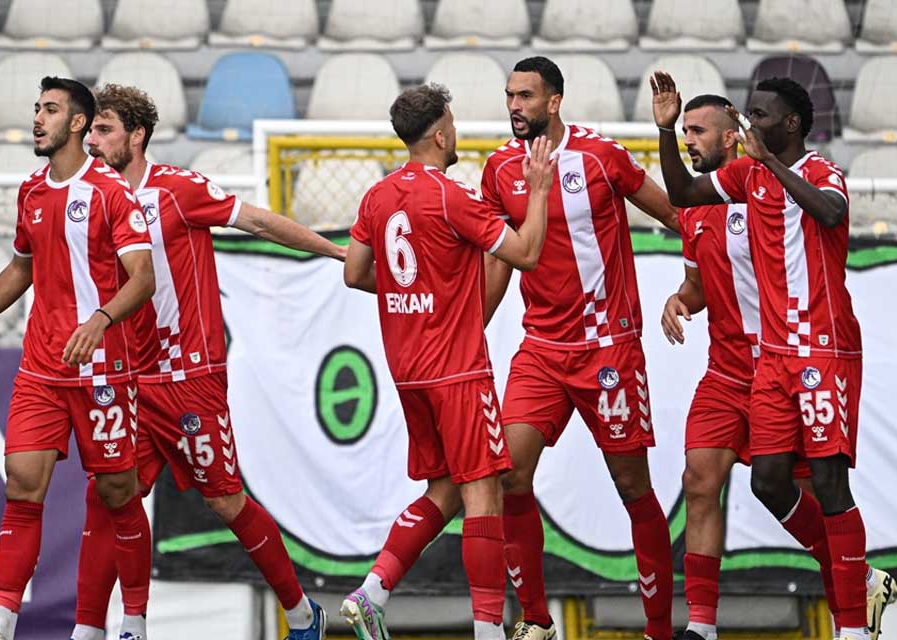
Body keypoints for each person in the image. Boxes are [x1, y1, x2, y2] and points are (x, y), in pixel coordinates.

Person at [70, 83, 343, 640]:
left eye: (104, 130)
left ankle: (299, 613)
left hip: (188, 375)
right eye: (90, 131)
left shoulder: (176, 189)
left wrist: (337, 253)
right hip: (125, 378)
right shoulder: (90, 197)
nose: (92, 142)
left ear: (137, 135)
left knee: (225, 500)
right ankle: (102, 630)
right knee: (108, 495)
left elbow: (260, 223)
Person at [658, 94, 897, 640]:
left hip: (814, 352)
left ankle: (853, 617)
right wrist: (681, 298)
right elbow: (691, 251)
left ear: (786, 124)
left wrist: (767, 161)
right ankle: (701, 626)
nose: (749, 125)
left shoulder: (807, 174)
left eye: (757, 117)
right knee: (722, 482)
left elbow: (834, 212)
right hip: (739, 369)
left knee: (824, 489)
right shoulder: (717, 200)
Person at [0, 77, 157, 640]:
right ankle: (0, 623)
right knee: (21, 483)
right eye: (36, 109)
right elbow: (20, 267)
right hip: (42, 369)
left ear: (78, 124)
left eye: (50, 110)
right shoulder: (32, 191)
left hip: (103, 369)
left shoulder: (110, 191)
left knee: (117, 494)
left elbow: (143, 279)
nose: (38, 118)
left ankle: (132, 624)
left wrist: (100, 320)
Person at [341, 83, 556, 640]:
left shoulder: (377, 196)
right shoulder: (450, 196)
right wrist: (536, 192)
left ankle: (373, 591)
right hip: (458, 369)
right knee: (483, 489)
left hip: (408, 370)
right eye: (453, 124)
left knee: (446, 490)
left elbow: (356, 272)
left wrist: (417, 295)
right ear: (439, 134)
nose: (456, 132)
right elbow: (527, 254)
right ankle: (487, 630)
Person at [477, 56, 681, 640]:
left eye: (526, 96)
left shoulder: (600, 156)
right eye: (510, 95)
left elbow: (674, 215)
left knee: (632, 488)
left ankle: (659, 631)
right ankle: (537, 624)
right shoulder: (498, 170)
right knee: (509, 477)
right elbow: (500, 261)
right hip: (540, 350)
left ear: (555, 102)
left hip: (607, 351)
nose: (515, 106)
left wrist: (697, 286)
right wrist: (473, 331)